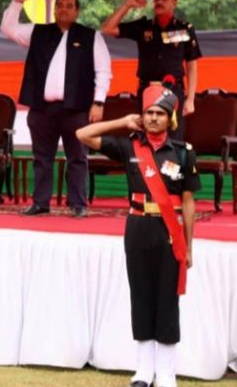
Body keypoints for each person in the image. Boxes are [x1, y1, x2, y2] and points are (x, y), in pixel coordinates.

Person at [76, 82, 199, 387]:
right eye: (149, 112)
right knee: (141, 296)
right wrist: (122, 121)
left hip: (169, 232)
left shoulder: (183, 153)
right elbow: (82, 134)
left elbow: (188, 203)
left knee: (167, 299)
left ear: (170, 118)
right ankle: (143, 371)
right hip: (138, 227)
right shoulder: (129, 146)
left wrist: (189, 246)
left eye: (160, 113)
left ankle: (166, 373)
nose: (154, 118)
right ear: (142, 116)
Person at [1, 0, 112, 217]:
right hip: (42, 109)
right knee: (42, 158)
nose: (63, 9)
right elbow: (8, 28)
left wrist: (99, 102)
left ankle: (78, 203)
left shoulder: (91, 36)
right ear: (54, 10)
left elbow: (103, 71)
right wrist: (17, 2)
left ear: (77, 11)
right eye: (59, 5)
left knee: (77, 157)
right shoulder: (39, 32)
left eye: (69, 6)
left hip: (77, 109)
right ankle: (40, 203)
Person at [101, 0, 202, 139]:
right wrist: (128, 5)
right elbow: (108, 29)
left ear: (174, 2)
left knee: (173, 138)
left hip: (173, 90)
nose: (159, 2)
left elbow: (191, 63)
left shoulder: (184, 28)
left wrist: (190, 98)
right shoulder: (143, 26)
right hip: (147, 90)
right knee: (146, 138)